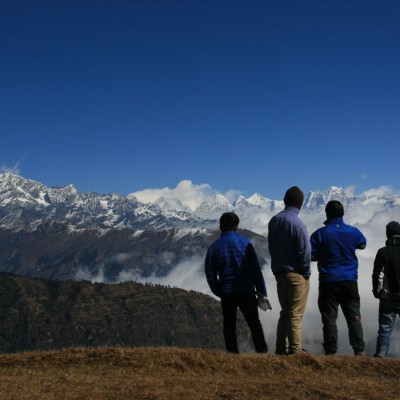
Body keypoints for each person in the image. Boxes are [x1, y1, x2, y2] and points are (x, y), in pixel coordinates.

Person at [205, 212, 268, 353]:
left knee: (229, 325)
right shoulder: (245, 244)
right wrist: (261, 291)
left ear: (220, 227)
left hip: (227, 292)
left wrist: (219, 290)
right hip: (246, 290)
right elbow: (255, 270)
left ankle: (232, 354)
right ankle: (261, 350)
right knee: (254, 323)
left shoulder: (214, 247)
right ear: (236, 226)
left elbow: (210, 274)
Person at [310, 200, 367, 356]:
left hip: (328, 280)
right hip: (349, 279)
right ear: (342, 214)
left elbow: (310, 254)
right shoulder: (353, 232)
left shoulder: (320, 233)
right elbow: (362, 244)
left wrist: (322, 255)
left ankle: (330, 351)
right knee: (353, 315)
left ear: (327, 214)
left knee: (329, 317)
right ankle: (359, 351)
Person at [268, 186, 311, 355]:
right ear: (301, 204)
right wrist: (306, 273)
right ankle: (295, 349)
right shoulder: (298, 224)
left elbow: (271, 245)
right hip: (296, 274)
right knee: (295, 313)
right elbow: (305, 252)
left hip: (280, 274)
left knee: (285, 312)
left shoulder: (274, 220)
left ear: (285, 200)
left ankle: (280, 347)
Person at [372, 221, 400, 358]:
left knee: (385, 330)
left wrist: (378, 293)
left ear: (387, 234)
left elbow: (378, 275)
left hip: (388, 298)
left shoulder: (383, 252)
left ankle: (381, 357)